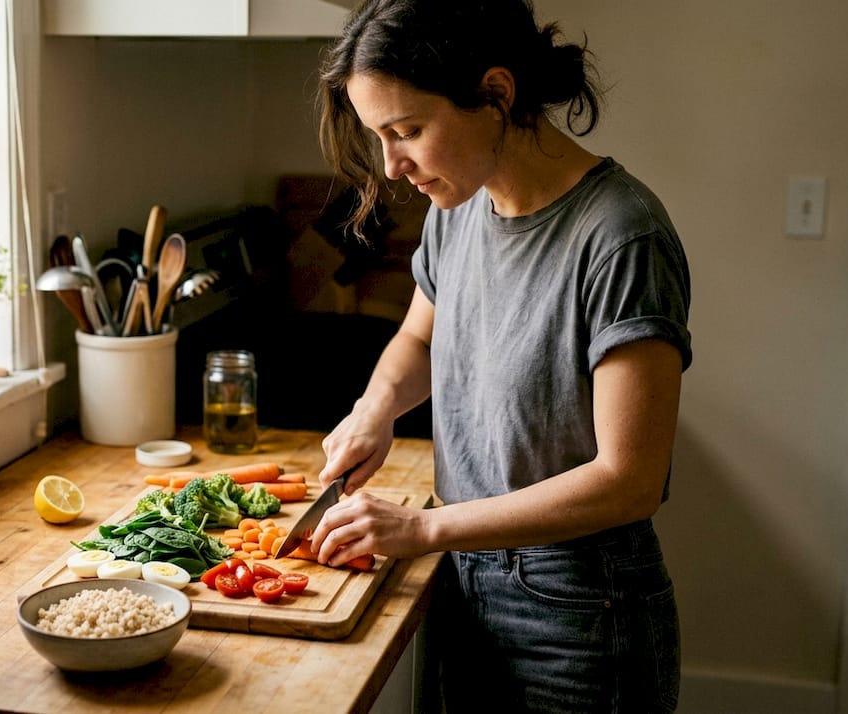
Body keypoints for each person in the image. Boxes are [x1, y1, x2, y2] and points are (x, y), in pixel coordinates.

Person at [307, 1, 692, 711]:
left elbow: (629, 479)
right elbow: (420, 337)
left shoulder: (620, 235)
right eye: (380, 138)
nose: (394, 167)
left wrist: (423, 527)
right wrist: (375, 409)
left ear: (496, 95)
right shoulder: (458, 212)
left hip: (578, 614)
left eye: (409, 131)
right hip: (465, 577)